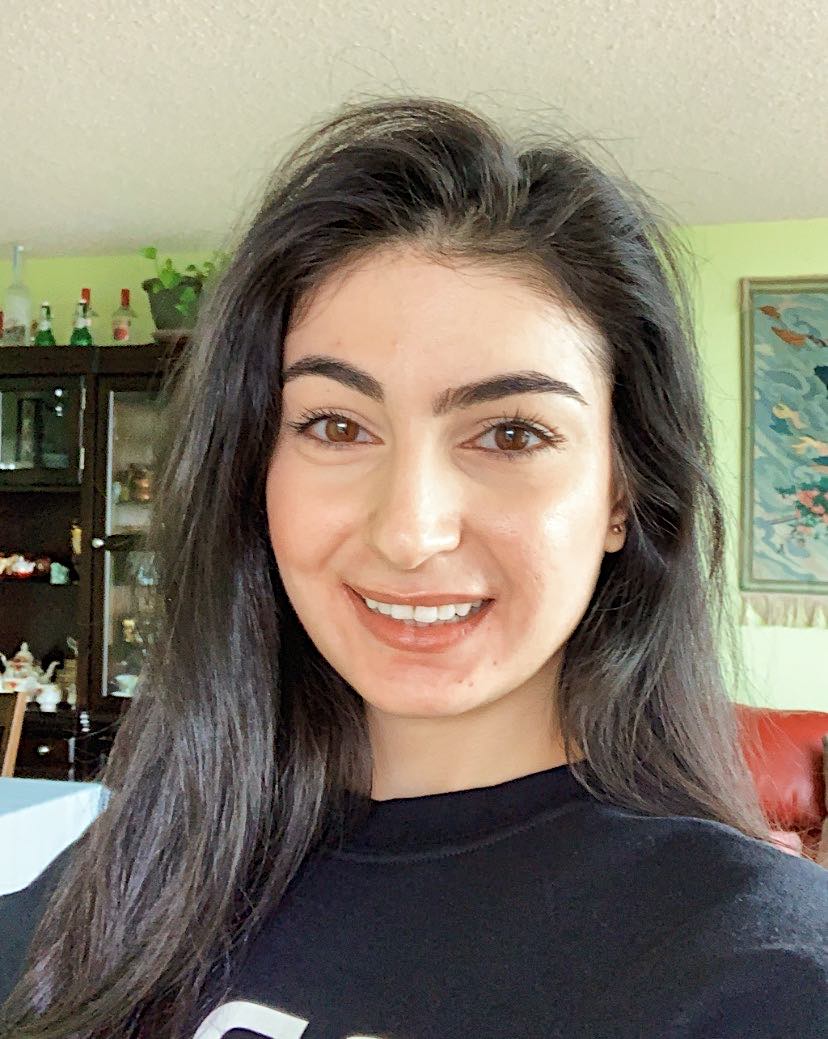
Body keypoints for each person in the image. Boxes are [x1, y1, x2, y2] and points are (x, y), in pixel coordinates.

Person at [0, 96, 825, 1039]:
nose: (409, 532)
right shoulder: (96, 906)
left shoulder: (763, 976)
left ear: (620, 494)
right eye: (335, 425)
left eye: (511, 433)